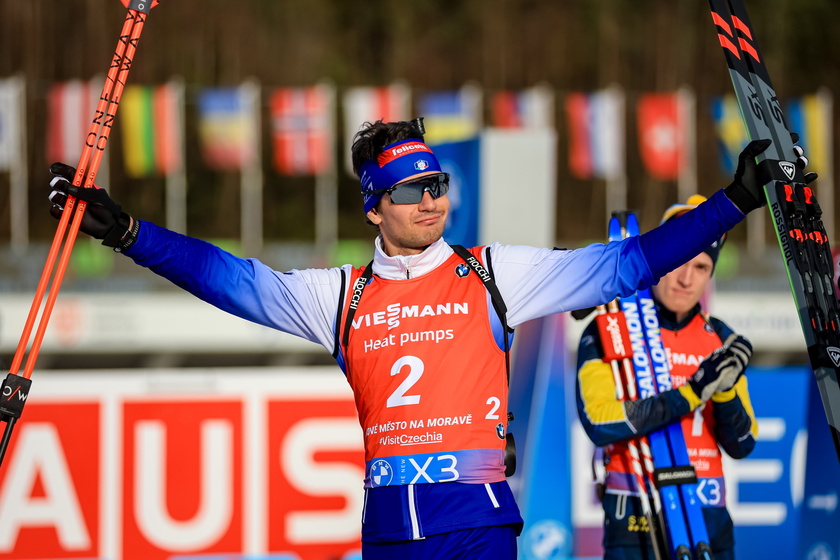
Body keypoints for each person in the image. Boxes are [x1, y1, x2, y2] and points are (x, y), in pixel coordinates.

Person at [48, 118, 773, 559]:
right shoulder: (340, 295)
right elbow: (229, 278)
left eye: (437, 184)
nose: (430, 201)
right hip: (392, 528)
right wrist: (131, 235)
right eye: (409, 190)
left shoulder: (495, 273)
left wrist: (735, 200)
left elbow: (628, 263)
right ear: (374, 208)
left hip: (480, 523)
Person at [575, 195, 759, 560]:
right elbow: (599, 421)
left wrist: (721, 392)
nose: (687, 278)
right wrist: (691, 393)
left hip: (708, 519)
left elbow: (743, 443)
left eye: (702, 267)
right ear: (660, 259)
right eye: (679, 261)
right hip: (635, 521)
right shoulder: (608, 329)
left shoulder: (720, 338)